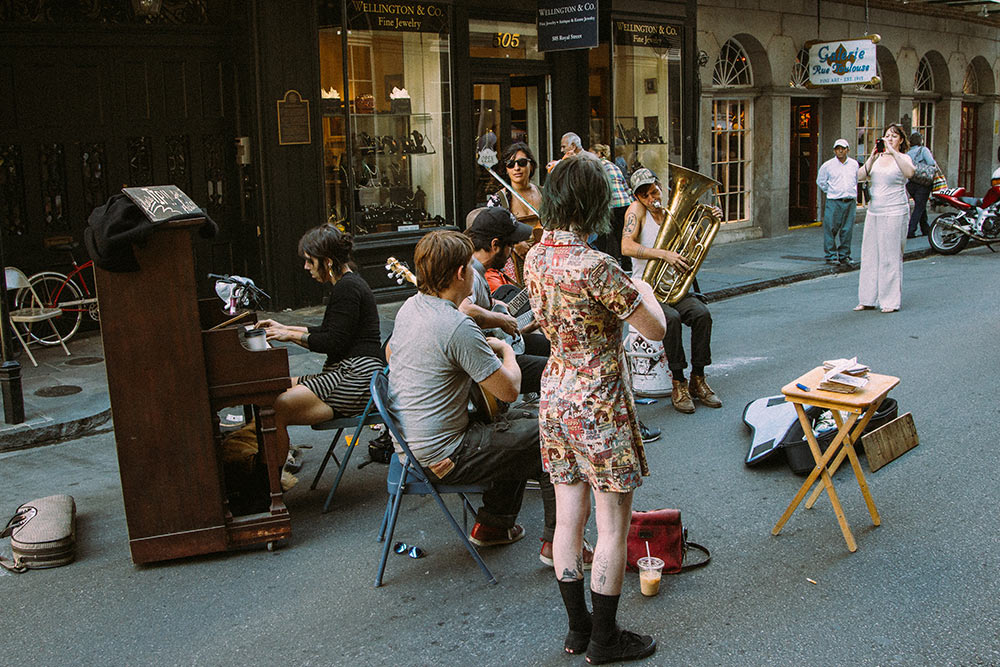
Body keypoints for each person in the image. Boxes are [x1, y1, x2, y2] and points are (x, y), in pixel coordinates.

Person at [525, 153, 666, 664]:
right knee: (611, 526)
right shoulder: (598, 266)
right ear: (594, 203)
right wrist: (644, 289)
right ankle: (605, 640)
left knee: (567, 521)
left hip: (556, 393)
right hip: (599, 401)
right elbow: (656, 330)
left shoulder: (534, 258)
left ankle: (577, 630)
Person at [387, 230, 579, 565]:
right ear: (461, 274)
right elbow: (509, 389)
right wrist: (504, 349)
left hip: (410, 447)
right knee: (553, 428)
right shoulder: (455, 325)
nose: (476, 273)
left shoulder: (410, 308)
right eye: (471, 267)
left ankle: (494, 525)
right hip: (444, 457)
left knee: (517, 424)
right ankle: (561, 546)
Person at [257, 225, 385, 480]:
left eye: (309, 261)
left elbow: (331, 342)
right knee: (275, 387)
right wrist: (285, 327)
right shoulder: (347, 284)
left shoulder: (347, 288)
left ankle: (270, 487)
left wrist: (289, 335)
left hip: (357, 378)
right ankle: (270, 472)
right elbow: (328, 330)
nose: (306, 268)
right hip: (349, 371)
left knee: (278, 407)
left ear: (327, 261)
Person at [621, 167, 723, 415]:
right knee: (671, 320)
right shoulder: (636, 211)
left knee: (702, 314)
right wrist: (663, 254)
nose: (651, 197)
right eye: (644, 195)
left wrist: (715, 215)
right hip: (646, 288)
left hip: (671, 287)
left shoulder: (672, 212)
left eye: (653, 190)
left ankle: (698, 377)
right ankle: (678, 381)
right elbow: (626, 246)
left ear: (660, 187)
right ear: (638, 197)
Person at [461, 206, 550, 395]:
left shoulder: (477, 270)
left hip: (497, 345)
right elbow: (464, 311)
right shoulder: (472, 275)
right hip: (489, 363)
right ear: (495, 245)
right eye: (510, 244)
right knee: (557, 370)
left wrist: (516, 328)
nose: (511, 252)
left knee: (551, 347)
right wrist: (502, 319)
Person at [855, 123, 915, 313]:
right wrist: (872, 158)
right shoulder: (877, 159)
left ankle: (889, 301)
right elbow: (859, 176)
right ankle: (867, 299)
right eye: (887, 136)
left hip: (895, 210)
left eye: (894, 136)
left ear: (901, 141)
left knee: (890, 256)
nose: (889, 139)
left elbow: (910, 173)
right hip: (875, 210)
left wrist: (894, 152)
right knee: (870, 255)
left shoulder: (903, 158)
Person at [486, 142, 543, 287]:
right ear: (506, 169)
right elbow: (490, 235)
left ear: (531, 165)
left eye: (522, 163)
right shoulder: (498, 200)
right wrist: (514, 244)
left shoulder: (545, 194)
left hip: (544, 262)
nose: (516, 168)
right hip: (514, 265)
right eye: (510, 164)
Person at [816, 138, 860, 265]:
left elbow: (857, 179)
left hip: (850, 200)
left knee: (847, 229)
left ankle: (844, 255)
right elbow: (821, 181)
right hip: (834, 200)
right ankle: (830, 255)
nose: (840, 151)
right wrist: (831, 191)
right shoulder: (828, 165)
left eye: (843, 149)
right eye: (837, 149)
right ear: (834, 151)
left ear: (848, 150)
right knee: (830, 228)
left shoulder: (854, 164)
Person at [591, 143, 634, 269]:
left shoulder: (598, 167)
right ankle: (627, 265)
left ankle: (607, 265)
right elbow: (624, 184)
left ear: (598, 154)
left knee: (604, 237)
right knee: (621, 235)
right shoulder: (614, 165)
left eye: (592, 153)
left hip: (611, 204)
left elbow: (600, 188)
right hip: (624, 203)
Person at [906, 132, 935, 238]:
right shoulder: (924, 150)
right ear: (920, 141)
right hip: (923, 182)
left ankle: (925, 228)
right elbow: (931, 163)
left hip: (911, 183)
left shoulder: (908, 153)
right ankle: (911, 230)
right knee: (919, 206)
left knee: (921, 204)